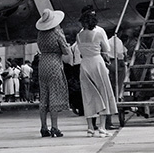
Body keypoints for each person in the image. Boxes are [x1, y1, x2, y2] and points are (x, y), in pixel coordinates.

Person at [76, 8, 118, 138]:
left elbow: (80, 51)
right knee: (103, 92)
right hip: (97, 62)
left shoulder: (79, 35)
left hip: (85, 64)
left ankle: (90, 128)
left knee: (88, 96)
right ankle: (102, 127)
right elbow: (107, 50)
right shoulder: (99, 33)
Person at [36, 9, 71, 137]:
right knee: (54, 95)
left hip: (43, 63)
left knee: (43, 96)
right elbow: (66, 50)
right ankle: (54, 127)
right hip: (54, 63)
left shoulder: (40, 34)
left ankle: (43, 127)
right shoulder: (57, 33)